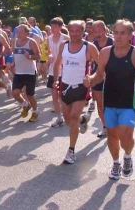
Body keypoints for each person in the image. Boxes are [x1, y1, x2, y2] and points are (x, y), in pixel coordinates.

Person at [85, 19, 135, 180]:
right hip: (109, 100)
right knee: (112, 135)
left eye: (123, 33)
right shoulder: (105, 52)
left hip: (130, 102)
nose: (118, 36)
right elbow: (100, 74)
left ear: (130, 35)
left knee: (125, 135)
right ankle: (116, 163)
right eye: (116, 32)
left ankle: (127, 156)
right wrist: (91, 80)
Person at [53, 20, 99, 164]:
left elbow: (101, 66)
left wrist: (91, 78)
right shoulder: (63, 45)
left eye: (77, 31)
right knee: (68, 119)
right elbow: (57, 64)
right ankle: (83, 120)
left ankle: (71, 151)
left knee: (72, 117)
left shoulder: (89, 47)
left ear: (83, 31)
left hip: (81, 87)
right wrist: (56, 80)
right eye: (71, 31)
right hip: (65, 85)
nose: (74, 34)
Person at [12, 24, 41, 122]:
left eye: (20, 32)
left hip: (30, 72)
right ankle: (25, 105)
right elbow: (15, 54)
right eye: (17, 32)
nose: (18, 34)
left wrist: (30, 57)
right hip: (19, 72)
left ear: (27, 33)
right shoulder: (15, 41)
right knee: (15, 93)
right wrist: (13, 63)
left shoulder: (31, 42)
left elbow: (39, 55)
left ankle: (35, 111)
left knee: (30, 95)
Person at [90, 20, 114, 138]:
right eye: (95, 31)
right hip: (97, 77)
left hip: (113, 77)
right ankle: (105, 127)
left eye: (99, 31)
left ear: (106, 30)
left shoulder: (113, 43)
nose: (97, 33)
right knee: (100, 104)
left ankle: (113, 126)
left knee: (112, 104)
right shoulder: (92, 45)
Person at [48, 17, 69, 128]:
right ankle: (59, 118)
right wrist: (50, 56)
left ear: (61, 27)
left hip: (65, 70)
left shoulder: (66, 38)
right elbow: (49, 51)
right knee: (54, 96)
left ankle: (68, 116)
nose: (52, 28)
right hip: (53, 70)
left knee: (64, 97)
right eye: (51, 26)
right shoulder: (49, 38)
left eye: (55, 26)